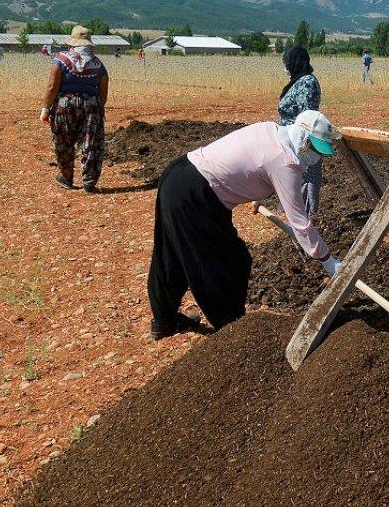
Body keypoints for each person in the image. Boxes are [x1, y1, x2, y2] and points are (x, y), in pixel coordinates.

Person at [147, 110, 342, 340]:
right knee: (227, 262)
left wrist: (258, 196)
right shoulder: (285, 163)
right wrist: (328, 261)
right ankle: (232, 331)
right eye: (315, 149)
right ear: (302, 138)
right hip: (197, 196)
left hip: (179, 176)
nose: (316, 157)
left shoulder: (270, 130)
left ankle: (164, 321)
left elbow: (249, 160)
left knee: (171, 255)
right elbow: (300, 223)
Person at [40, 25, 108, 192]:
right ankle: (89, 182)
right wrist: (97, 110)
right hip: (91, 107)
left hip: (65, 106)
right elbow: (103, 92)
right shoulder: (98, 65)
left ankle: (66, 176)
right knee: (91, 143)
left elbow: (51, 87)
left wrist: (45, 109)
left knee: (63, 141)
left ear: (73, 43)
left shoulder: (61, 60)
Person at [278, 45, 323, 215]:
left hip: (303, 149)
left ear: (295, 62)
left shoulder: (307, 82)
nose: (285, 67)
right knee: (293, 193)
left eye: (286, 62)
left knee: (304, 196)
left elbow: (307, 118)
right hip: (292, 147)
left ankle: (305, 235)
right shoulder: (298, 82)